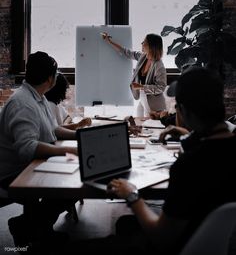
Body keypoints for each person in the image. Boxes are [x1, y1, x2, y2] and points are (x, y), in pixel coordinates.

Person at [102, 67, 236, 255]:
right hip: (222, 244)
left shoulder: (188, 166)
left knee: (117, 232)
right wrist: (187, 134)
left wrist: (132, 195)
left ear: (183, 111)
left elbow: (161, 238)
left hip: (182, 245)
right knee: (126, 224)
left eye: (177, 107)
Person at [0, 51, 80, 252]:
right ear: (49, 78)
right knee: (71, 184)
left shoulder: (38, 96)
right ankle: (32, 228)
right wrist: (67, 151)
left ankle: (33, 227)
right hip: (14, 173)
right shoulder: (22, 103)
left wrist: (79, 136)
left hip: (33, 165)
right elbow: (27, 149)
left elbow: (53, 129)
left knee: (78, 178)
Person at [102, 32, 167, 117]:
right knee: (138, 123)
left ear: (151, 46)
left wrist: (141, 87)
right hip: (143, 98)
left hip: (154, 105)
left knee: (148, 127)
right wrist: (109, 41)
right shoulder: (143, 57)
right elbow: (126, 52)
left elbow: (161, 87)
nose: (142, 44)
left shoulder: (159, 66)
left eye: (144, 42)